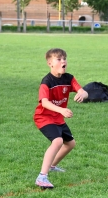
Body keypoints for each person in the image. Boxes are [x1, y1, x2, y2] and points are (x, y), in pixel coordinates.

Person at [33, 48, 88, 189]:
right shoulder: (47, 81)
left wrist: (83, 94)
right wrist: (61, 109)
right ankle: (42, 177)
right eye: (59, 59)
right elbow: (44, 102)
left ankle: (52, 166)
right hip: (44, 117)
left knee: (70, 144)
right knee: (57, 141)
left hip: (58, 118)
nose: (63, 61)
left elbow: (82, 90)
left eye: (64, 58)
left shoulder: (68, 78)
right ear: (50, 63)